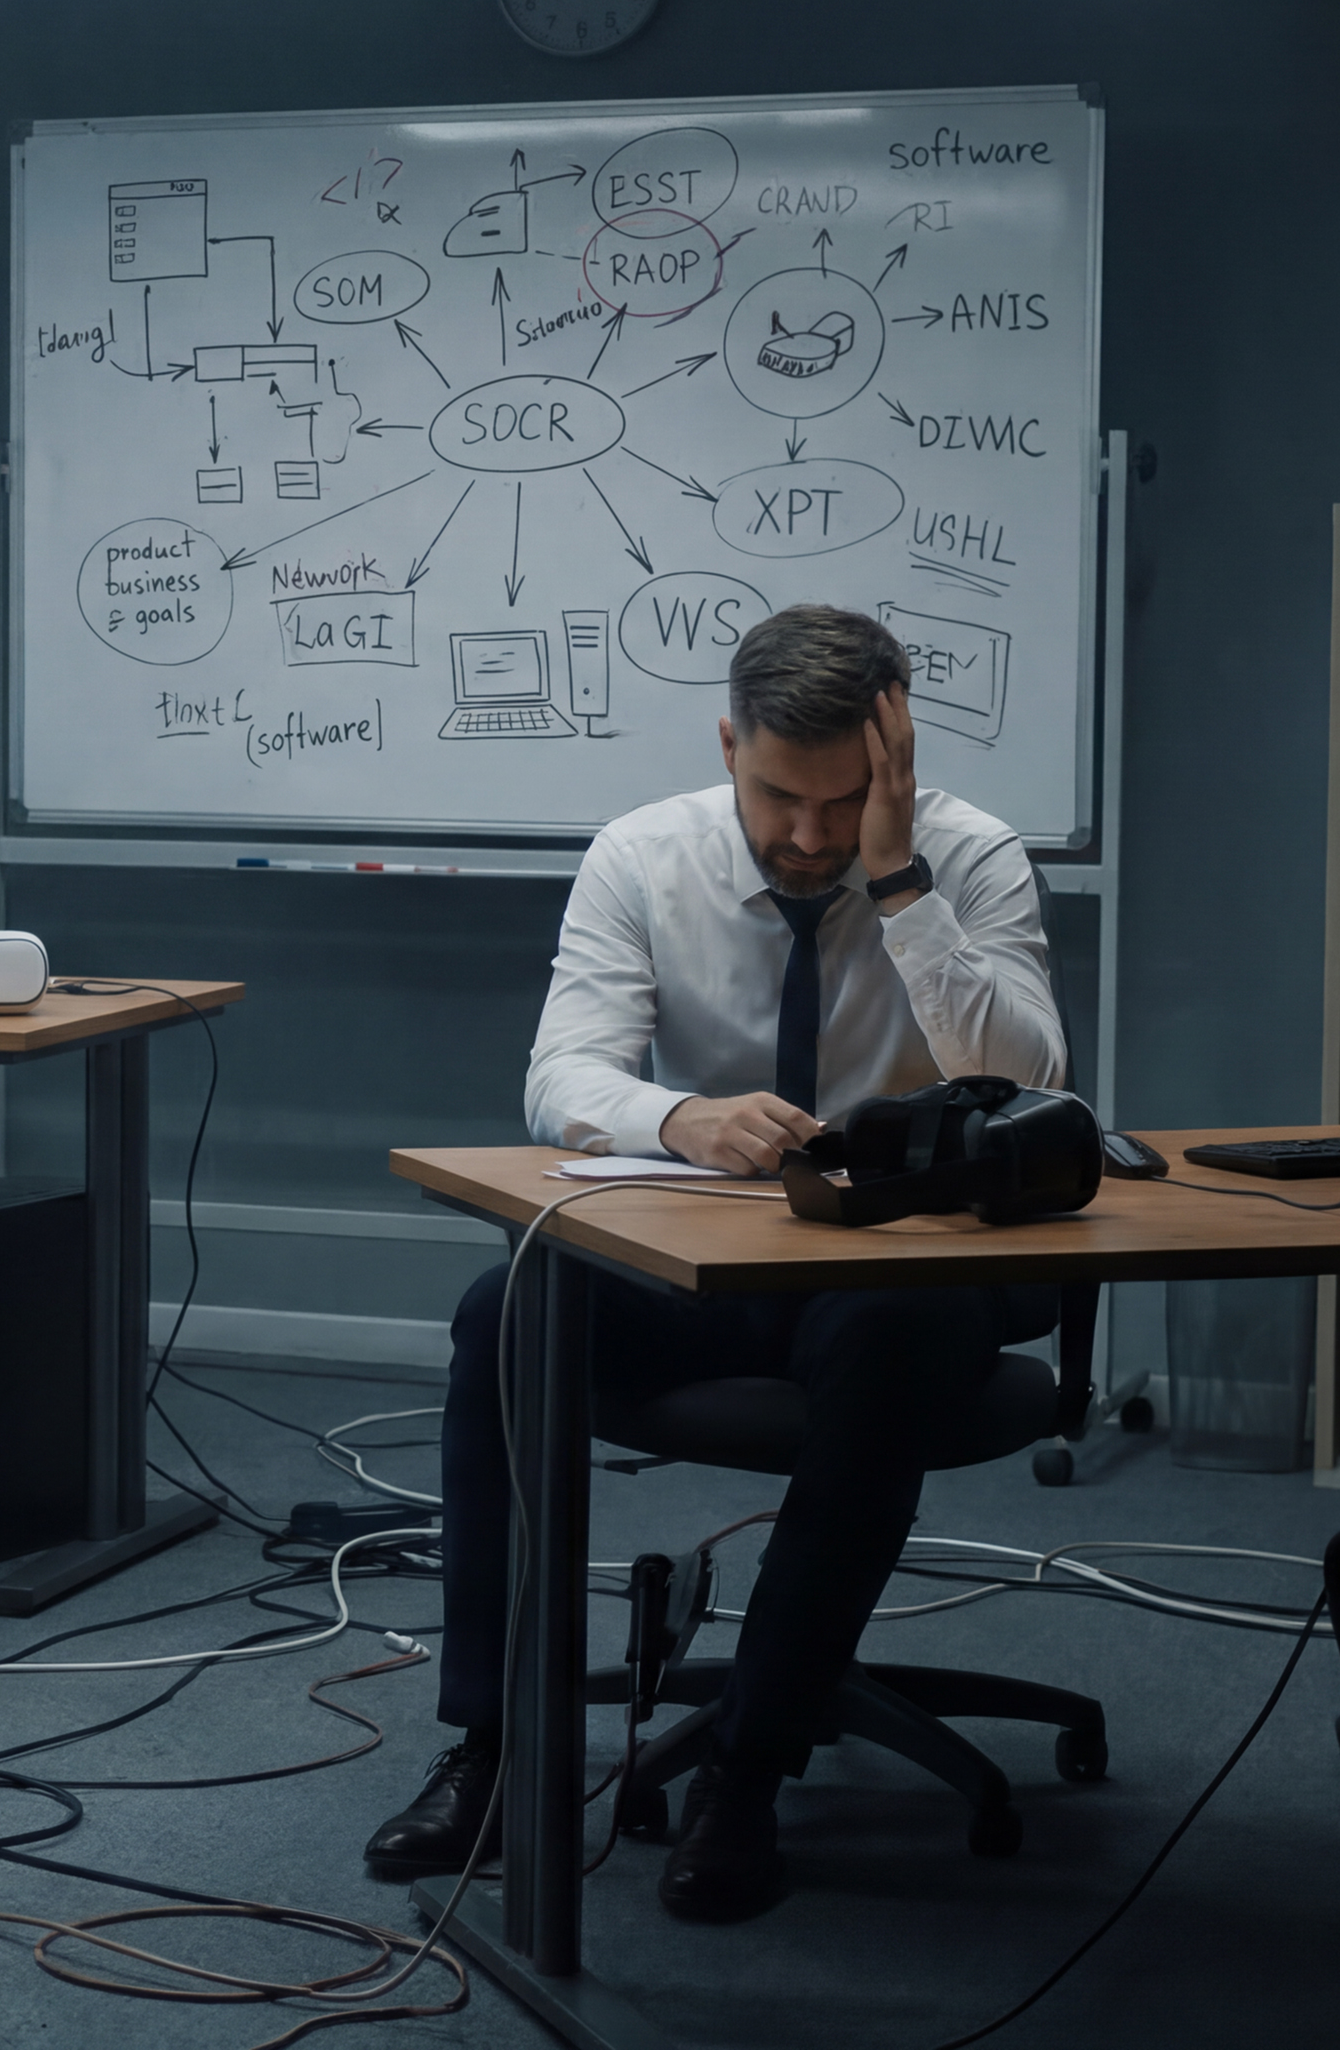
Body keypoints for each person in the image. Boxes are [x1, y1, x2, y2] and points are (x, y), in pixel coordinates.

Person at [357, 604, 1064, 1923]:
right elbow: (562, 1077)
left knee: (891, 1334)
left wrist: (900, 883)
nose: (807, 834)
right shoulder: (644, 853)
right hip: (701, 1247)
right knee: (503, 1310)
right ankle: (496, 1745)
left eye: (843, 801)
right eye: (779, 795)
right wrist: (680, 1115)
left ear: (894, 762)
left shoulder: (969, 856)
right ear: (729, 744)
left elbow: (1027, 1074)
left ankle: (747, 1768)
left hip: (897, 1264)